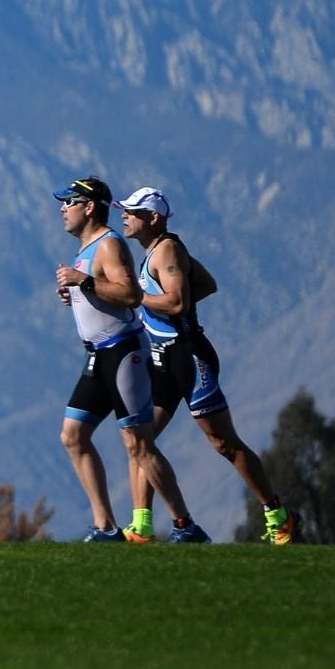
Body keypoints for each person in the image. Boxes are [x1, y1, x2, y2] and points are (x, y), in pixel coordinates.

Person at [118, 188, 296, 546]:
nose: (125, 216)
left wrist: (140, 299)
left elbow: (178, 302)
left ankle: (279, 515)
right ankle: (141, 527)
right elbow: (207, 284)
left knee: (222, 442)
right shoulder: (156, 252)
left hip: (188, 355)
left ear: (153, 218)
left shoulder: (166, 249)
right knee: (140, 440)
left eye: (133, 211)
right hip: (162, 358)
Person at [51, 178, 193, 543]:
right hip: (97, 356)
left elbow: (130, 294)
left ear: (90, 207)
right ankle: (106, 527)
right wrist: (79, 295)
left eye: (70, 201)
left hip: (122, 353)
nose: (62, 208)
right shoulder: (86, 249)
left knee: (138, 445)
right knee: (73, 435)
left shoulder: (108, 244)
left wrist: (83, 283)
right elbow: (102, 292)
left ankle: (184, 525)